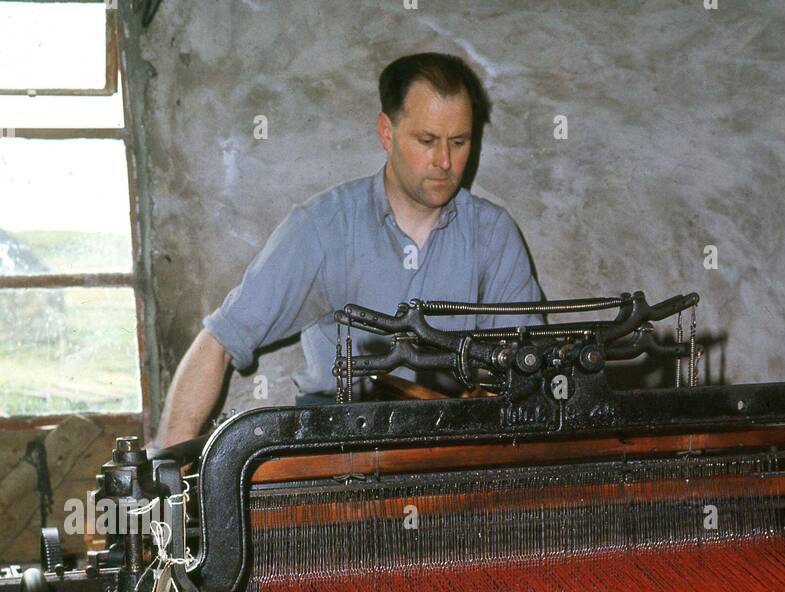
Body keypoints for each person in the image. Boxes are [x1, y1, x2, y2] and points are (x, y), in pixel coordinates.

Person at [155, 52, 542, 446]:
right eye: (427, 141)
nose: (444, 161)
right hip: (340, 451)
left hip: (455, 449)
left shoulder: (493, 236)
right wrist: (169, 471)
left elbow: (529, 368)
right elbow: (219, 341)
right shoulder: (322, 229)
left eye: (459, 142)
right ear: (387, 133)